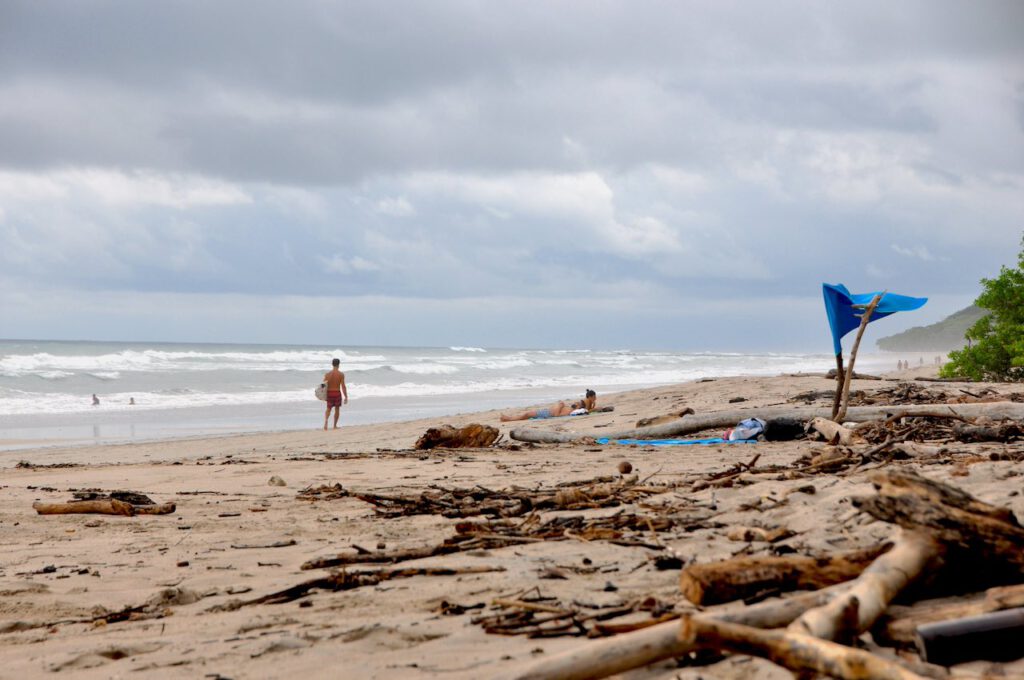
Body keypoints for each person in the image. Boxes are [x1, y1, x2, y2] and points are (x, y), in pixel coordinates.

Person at [500, 389, 597, 422]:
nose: (576, 404)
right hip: (549, 412)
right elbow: (587, 409)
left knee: (527, 414)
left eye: (577, 404)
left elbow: (557, 415)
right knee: (527, 414)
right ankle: (508, 418)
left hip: (549, 413)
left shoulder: (573, 410)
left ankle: (508, 419)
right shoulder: (577, 407)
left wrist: (560, 405)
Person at [323, 358, 348, 430]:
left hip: (329, 393)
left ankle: (326, 422)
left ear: (332, 364)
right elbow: (343, 386)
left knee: (328, 409)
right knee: (337, 409)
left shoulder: (327, 374)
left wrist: (323, 395)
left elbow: (323, 385)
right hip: (337, 393)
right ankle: (334, 426)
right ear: (339, 364)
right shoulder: (341, 374)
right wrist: (346, 396)